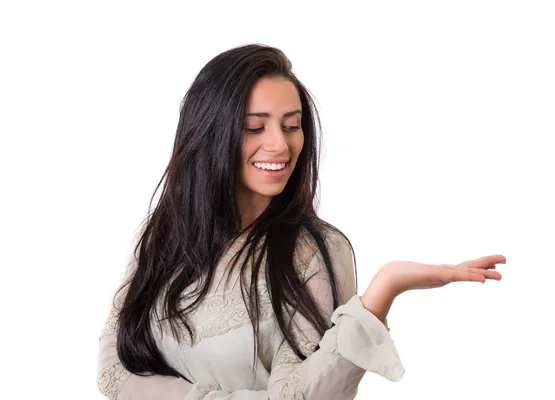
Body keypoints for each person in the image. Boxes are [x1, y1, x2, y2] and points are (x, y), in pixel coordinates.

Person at [96, 44, 506, 400]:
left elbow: (303, 396)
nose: (280, 143)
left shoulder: (315, 252)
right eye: (255, 127)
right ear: (209, 134)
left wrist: (381, 294)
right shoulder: (163, 235)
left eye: (292, 126)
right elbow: (114, 371)